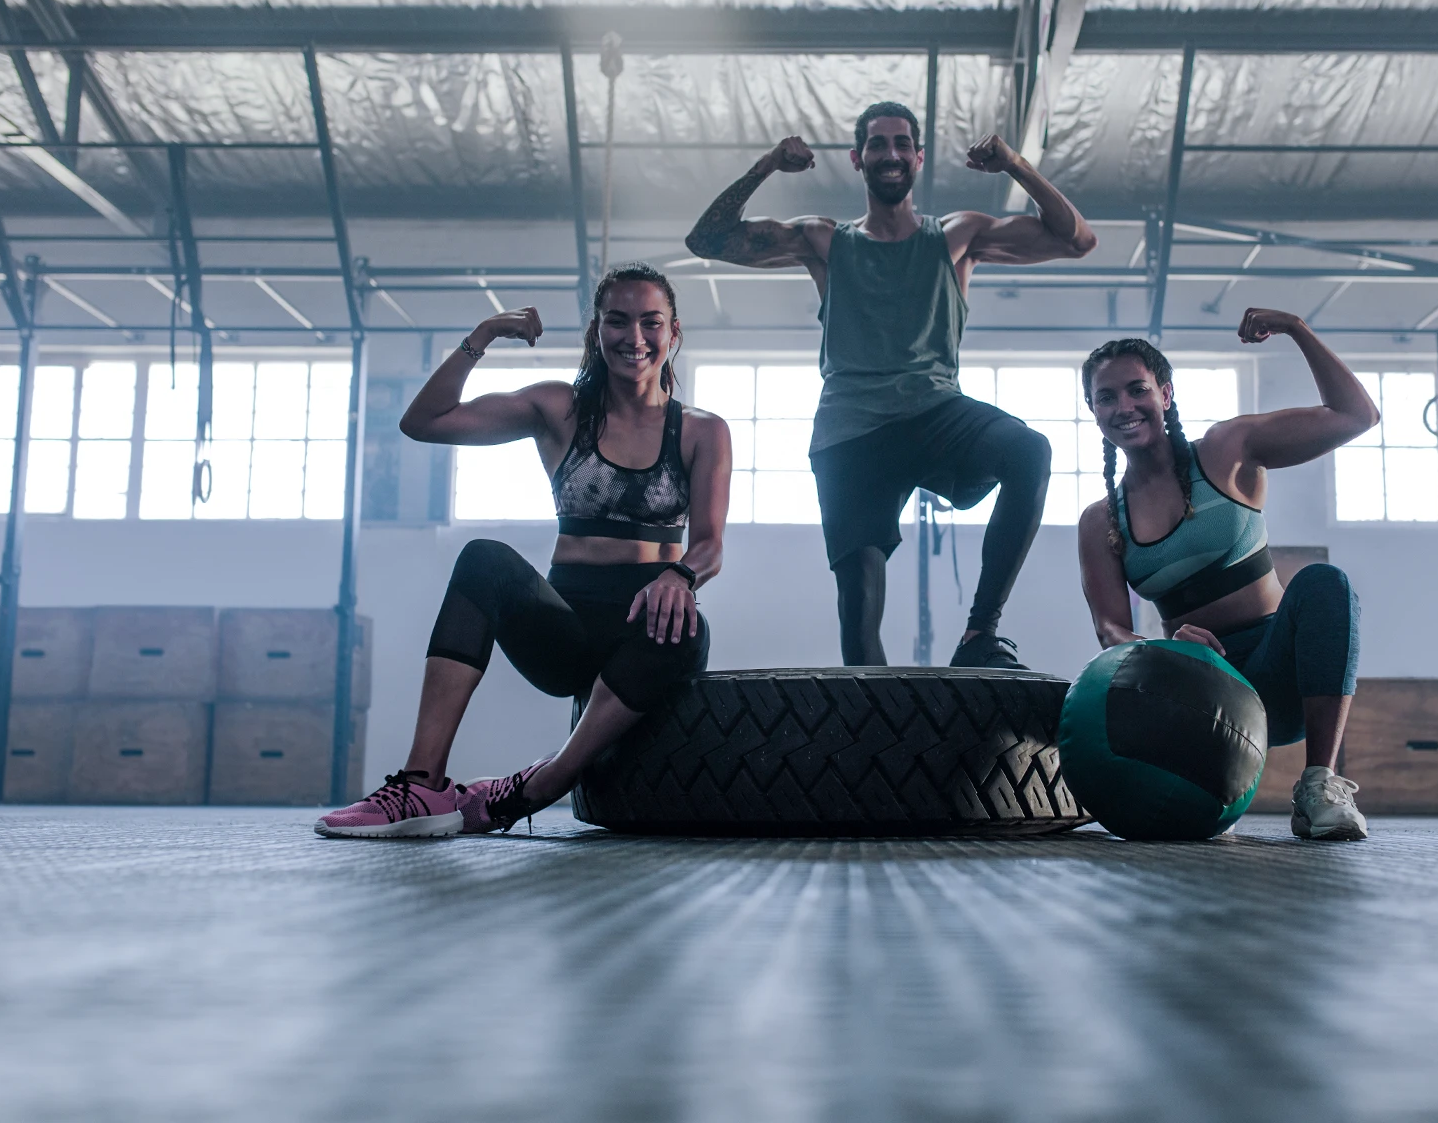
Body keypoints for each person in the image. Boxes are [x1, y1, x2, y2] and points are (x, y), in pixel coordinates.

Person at [315, 263, 732, 838]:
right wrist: (479, 339)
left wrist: (680, 575)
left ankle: (543, 783)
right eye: (617, 321)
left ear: (673, 333)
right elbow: (423, 422)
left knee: (689, 628)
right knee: (483, 558)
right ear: (597, 332)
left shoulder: (702, 431)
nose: (633, 337)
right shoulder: (560, 408)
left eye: (650, 322)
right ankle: (421, 786)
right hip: (566, 630)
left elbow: (710, 544)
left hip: (643, 632)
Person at [685, 101, 1097, 669]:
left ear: (918, 158)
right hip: (851, 431)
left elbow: (1077, 239)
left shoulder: (957, 237)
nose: (891, 153)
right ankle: (873, 732)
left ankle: (980, 636)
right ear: (859, 159)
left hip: (936, 412)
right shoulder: (826, 241)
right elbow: (706, 239)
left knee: (1030, 451)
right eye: (877, 144)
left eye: (902, 143)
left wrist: (1014, 164)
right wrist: (767, 166)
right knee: (859, 609)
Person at [1075, 312, 1380, 841]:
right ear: (1093, 410)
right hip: (1200, 691)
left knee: (1324, 583)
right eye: (1107, 397)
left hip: (1281, 676)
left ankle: (1318, 787)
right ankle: (1203, 790)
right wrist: (1163, 651)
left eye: (1137, 389)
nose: (1124, 406)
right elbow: (1111, 632)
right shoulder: (1101, 520)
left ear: (1165, 394)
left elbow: (1356, 415)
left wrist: (1296, 328)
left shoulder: (1226, 450)